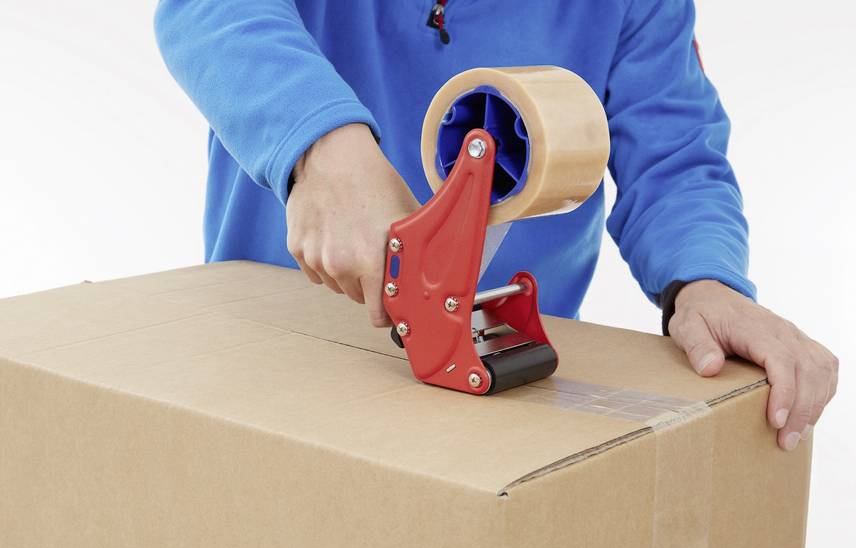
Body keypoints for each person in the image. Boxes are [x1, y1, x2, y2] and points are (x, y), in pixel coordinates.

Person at [154, 0, 837, 451]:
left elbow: (673, 150)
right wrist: (322, 147)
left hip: (500, 398)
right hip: (273, 378)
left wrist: (707, 280)